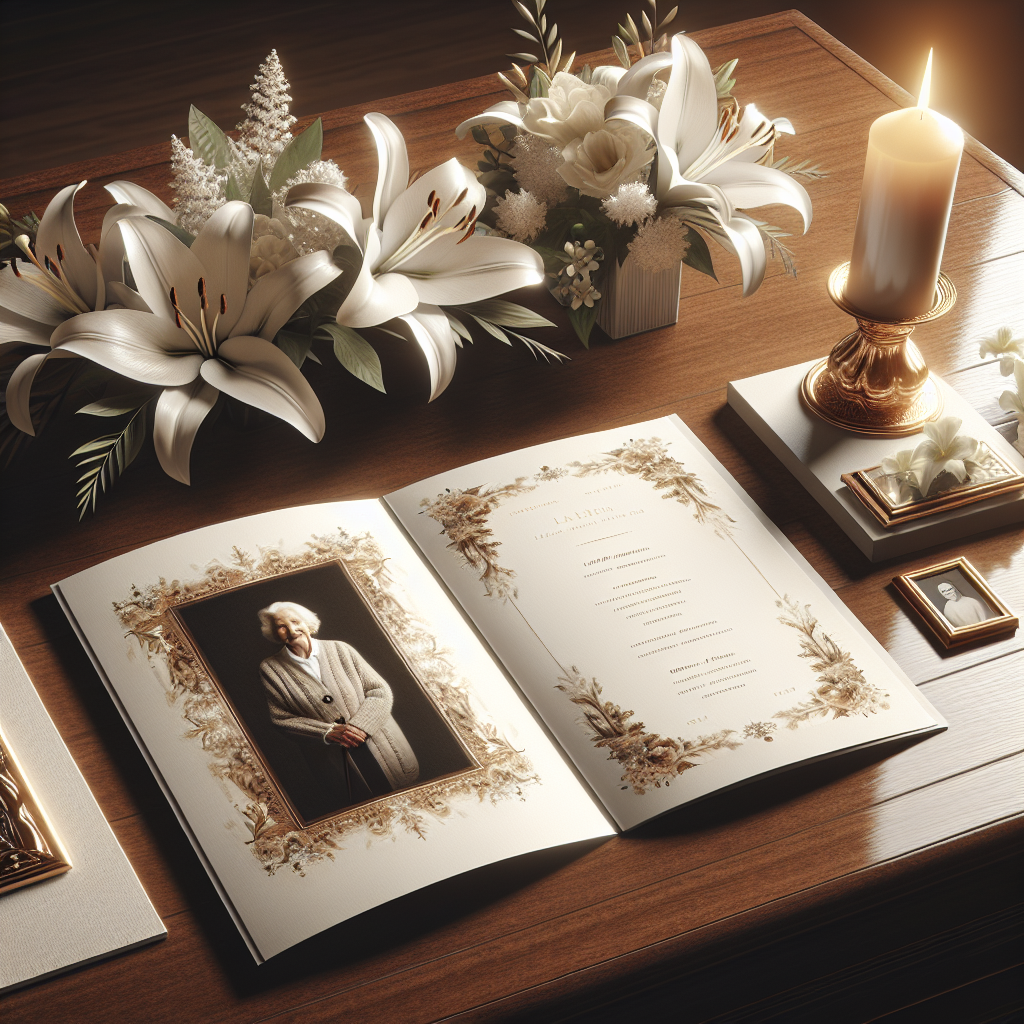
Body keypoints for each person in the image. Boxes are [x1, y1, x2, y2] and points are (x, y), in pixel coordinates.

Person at [258, 601, 419, 801]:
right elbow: (281, 719)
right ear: (274, 632)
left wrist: (360, 726)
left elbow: (380, 691)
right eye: (281, 626)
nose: (291, 629)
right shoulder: (271, 669)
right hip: (336, 764)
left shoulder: (341, 649)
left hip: (385, 747)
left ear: (307, 622)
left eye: (295, 621)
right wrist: (327, 732)